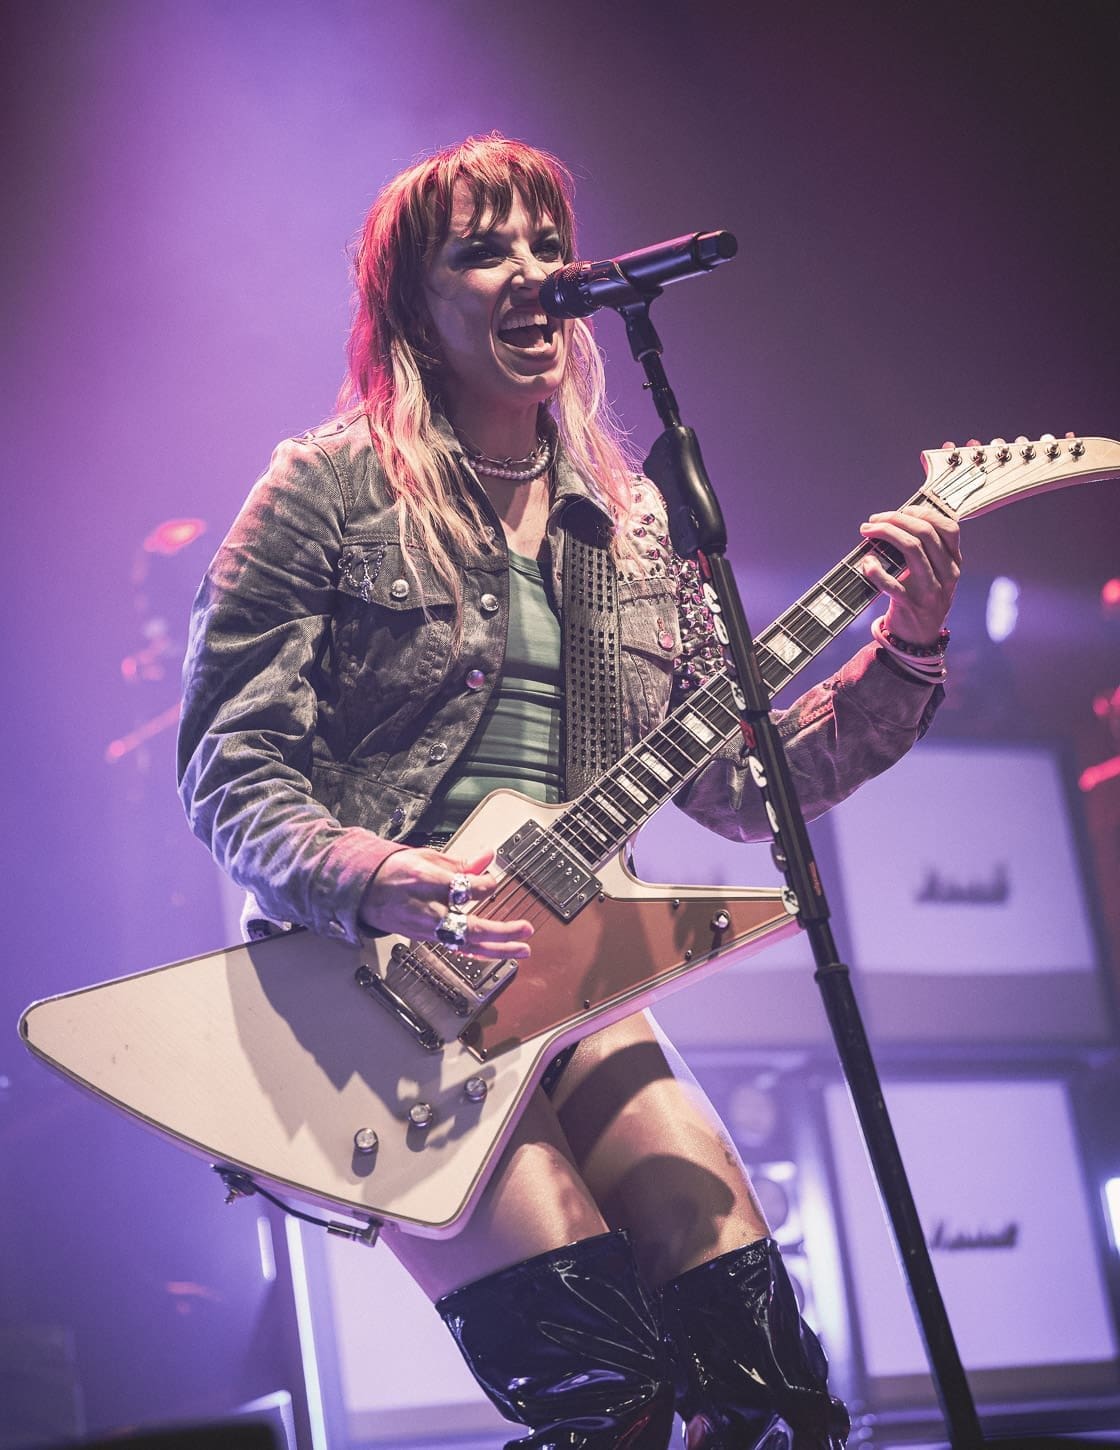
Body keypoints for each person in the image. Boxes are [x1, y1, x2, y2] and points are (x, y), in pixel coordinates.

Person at [177, 135, 960, 1450]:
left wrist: (911, 644)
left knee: (775, 1387)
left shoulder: (630, 518)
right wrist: (378, 869)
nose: (534, 272)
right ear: (410, 304)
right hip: (375, 991)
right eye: (485, 249)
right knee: (613, 1403)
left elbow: (738, 778)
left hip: (570, 972)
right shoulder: (323, 489)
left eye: (548, 243)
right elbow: (227, 765)